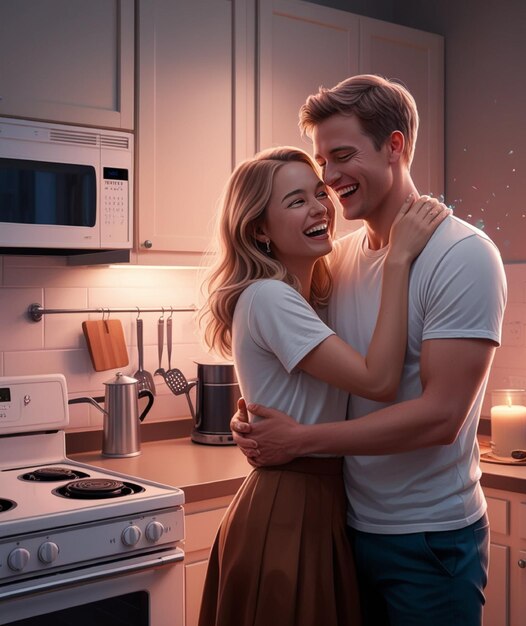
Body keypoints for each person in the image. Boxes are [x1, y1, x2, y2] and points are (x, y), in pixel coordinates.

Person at [231, 74, 508, 626]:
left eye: (341, 157)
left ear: (395, 145)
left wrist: (301, 441)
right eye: (321, 163)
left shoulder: (464, 256)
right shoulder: (340, 255)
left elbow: (440, 418)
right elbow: (313, 364)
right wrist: (257, 416)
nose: (329, 180)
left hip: (428, 539)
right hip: (347, 526)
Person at [196, 145, 449, 626]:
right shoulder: (270, 297)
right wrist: (398, 260)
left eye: (318, 192)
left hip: (318, 502)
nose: (319, 207)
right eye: (295, 201)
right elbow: (378, 380)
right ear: (259, 230)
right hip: (290, 507)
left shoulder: (308, 296)